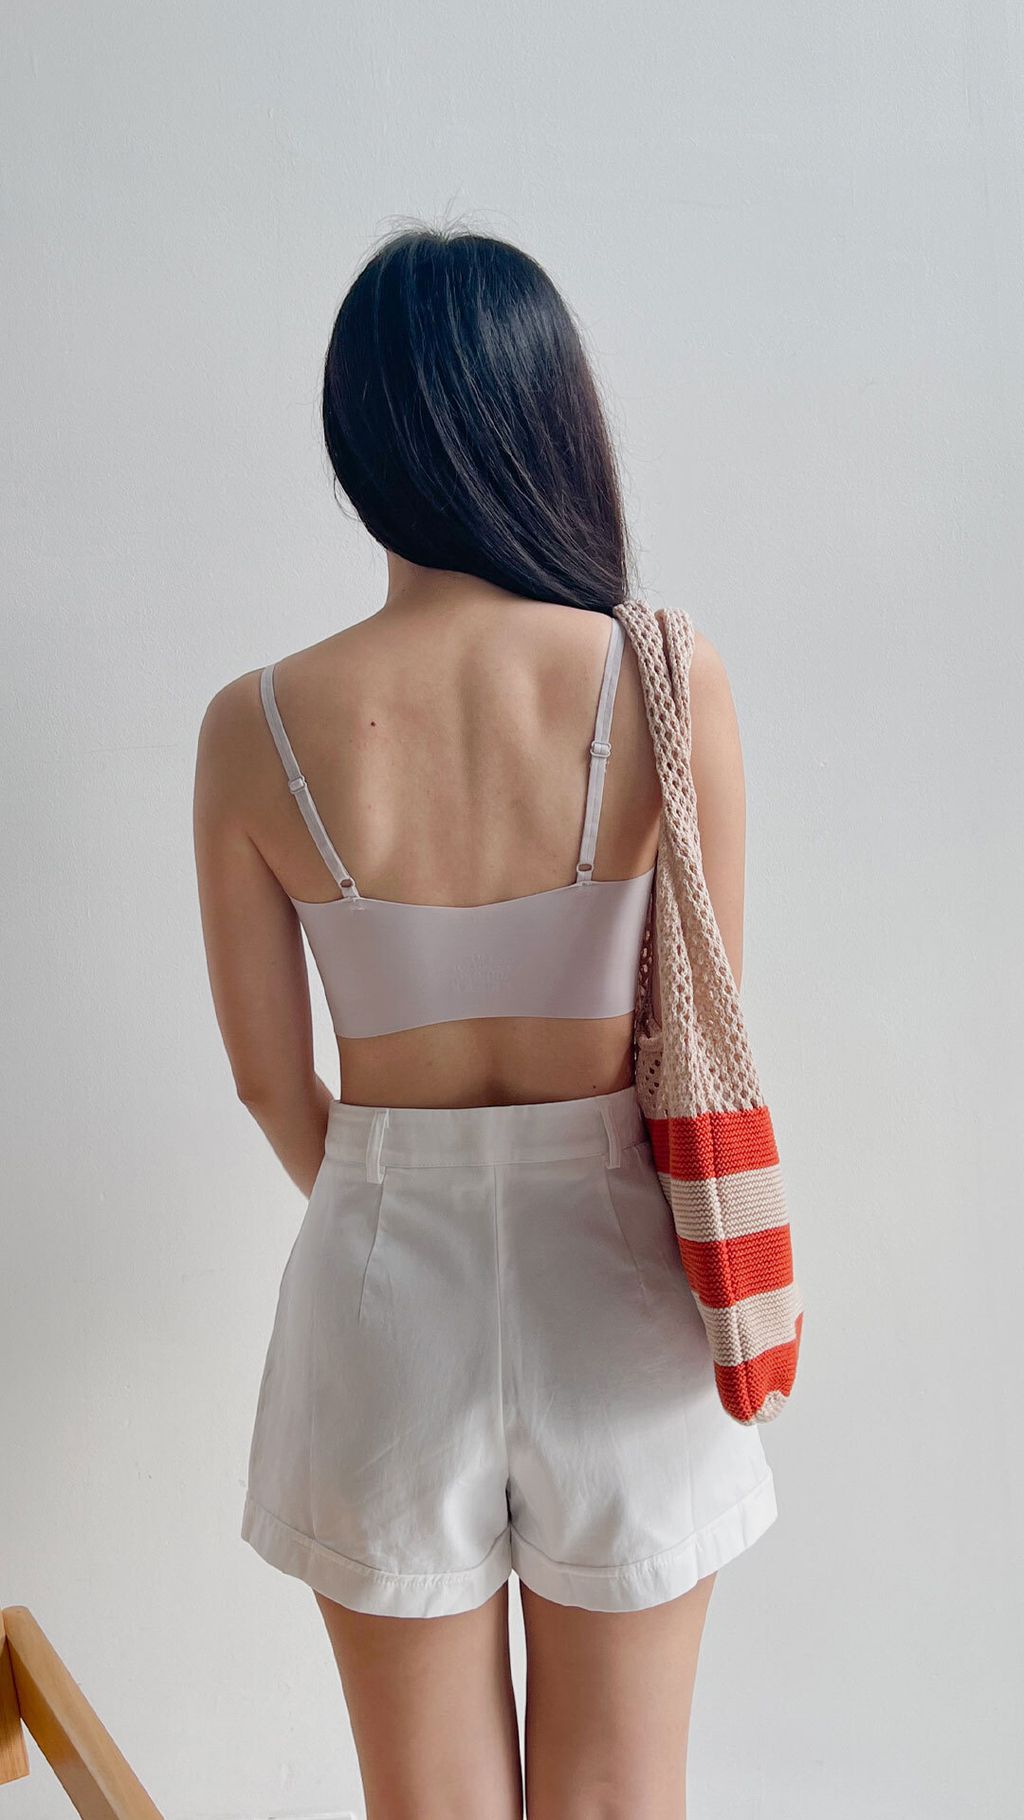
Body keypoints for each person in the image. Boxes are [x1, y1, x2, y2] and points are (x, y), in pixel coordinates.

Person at [193, 224, 777, 1820]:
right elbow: (708, 1024)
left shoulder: (256, 724)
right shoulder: (668, 677)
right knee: (618, 1795)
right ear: (547, 417)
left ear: (357, 438)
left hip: (384, 1276)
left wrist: (401, 1203)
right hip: (624, 1268)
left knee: (428, 1804)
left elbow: (268, 1083)